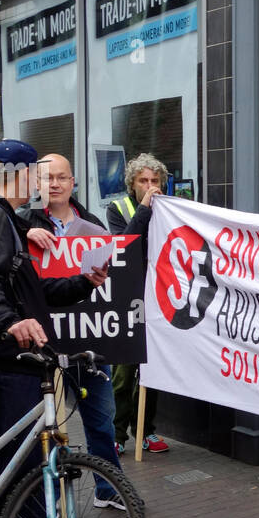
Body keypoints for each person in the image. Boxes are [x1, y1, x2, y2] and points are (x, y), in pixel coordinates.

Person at [0, 139, 108, 518]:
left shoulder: (10, 220)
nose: (42, 183)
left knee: (33, 454)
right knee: (16, 461)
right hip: (5, 356)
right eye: (36, 173)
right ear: (18, 173)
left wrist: (84, 281)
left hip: (29, 358)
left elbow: (38, 297)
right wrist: (12, 323)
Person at [20, 153, 125, 502]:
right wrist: (23, 231)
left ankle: (108, 489)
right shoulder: (21, 222)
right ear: (37, 184)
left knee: (100, 418)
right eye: (47, 178)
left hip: (87, 338)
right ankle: (45, 498)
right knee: (43, 423)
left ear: (73, 181)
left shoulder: (94, 225)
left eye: (61, 178)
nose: (55, 184)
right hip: (43, 341)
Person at [107, 152, 170, 454]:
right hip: (127, 297)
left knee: (152, 369)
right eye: (143, 181)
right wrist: (144, 209)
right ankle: (117, 434)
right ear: (132, 184)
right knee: (123, 372)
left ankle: (146, 431)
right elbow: (126, 245)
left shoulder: (170, 210)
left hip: (158, 298)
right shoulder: (117, 208)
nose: (149, 186)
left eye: (155, 181)